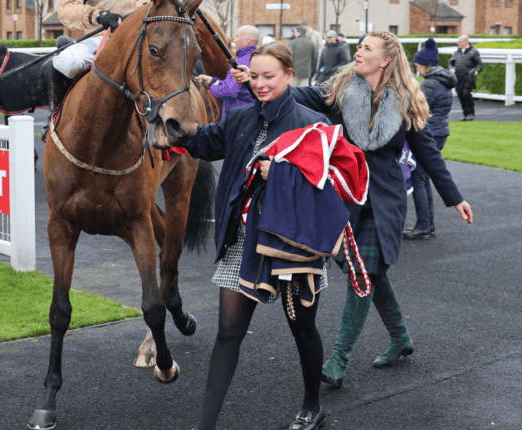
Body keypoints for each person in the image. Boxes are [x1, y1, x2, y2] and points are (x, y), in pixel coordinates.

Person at [239, 31, 472, 388]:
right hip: (348, 195)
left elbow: (428, 153)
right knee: (370, 272)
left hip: (386, 200)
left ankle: (337, 360)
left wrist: (454, 197)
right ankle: (401, 338)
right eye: (359, 46)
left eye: (366, 49)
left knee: (364, 272)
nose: (358, 52)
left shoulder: (406, 100)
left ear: (385, 60)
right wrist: (272, 84)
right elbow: (306, 95)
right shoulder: (343, 88)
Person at [185, 45, 332, 430]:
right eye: (255, 76)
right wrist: (175, 128)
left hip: (293, 245)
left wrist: (280, 176)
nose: (261, 83)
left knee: (302, 329)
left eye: (269, 76)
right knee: (227, 333)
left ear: (289, 76)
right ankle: (205, 425)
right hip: (243, 241)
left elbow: (325, 185)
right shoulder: (240, 118)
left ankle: (312, 404)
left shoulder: (312, 123)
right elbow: (204, 141)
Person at [404, 38, 458, 239]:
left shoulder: (429, 84)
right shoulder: (442, 81)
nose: (417, 67)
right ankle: (427, 223)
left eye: (418, 64)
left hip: (430, 133)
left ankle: (424, 224)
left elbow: (414, 108)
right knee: (423, 178)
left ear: (425, 65)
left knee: (418, 178)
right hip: (440, 131)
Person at [194, 25, 258, 119]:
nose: (234, 40)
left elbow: (228, 91)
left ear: (246, 41)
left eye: (237, 36)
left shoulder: (241, 62)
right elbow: (235, 87)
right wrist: (212, 80)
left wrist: (213, 86)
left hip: (238, 119)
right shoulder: (255, 59)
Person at [447, 35, 483, 121]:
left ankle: (471, 113)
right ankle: (465, 113)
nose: (458, 43)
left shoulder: (474, 52)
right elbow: (450, 63)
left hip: (469, 77)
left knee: (466, 93)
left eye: (460, 42)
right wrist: (451, 68)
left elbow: (479, 64)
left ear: (466, 42)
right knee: (460, 94)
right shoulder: (456, 53)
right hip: (458, 77)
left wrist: (476, 71)